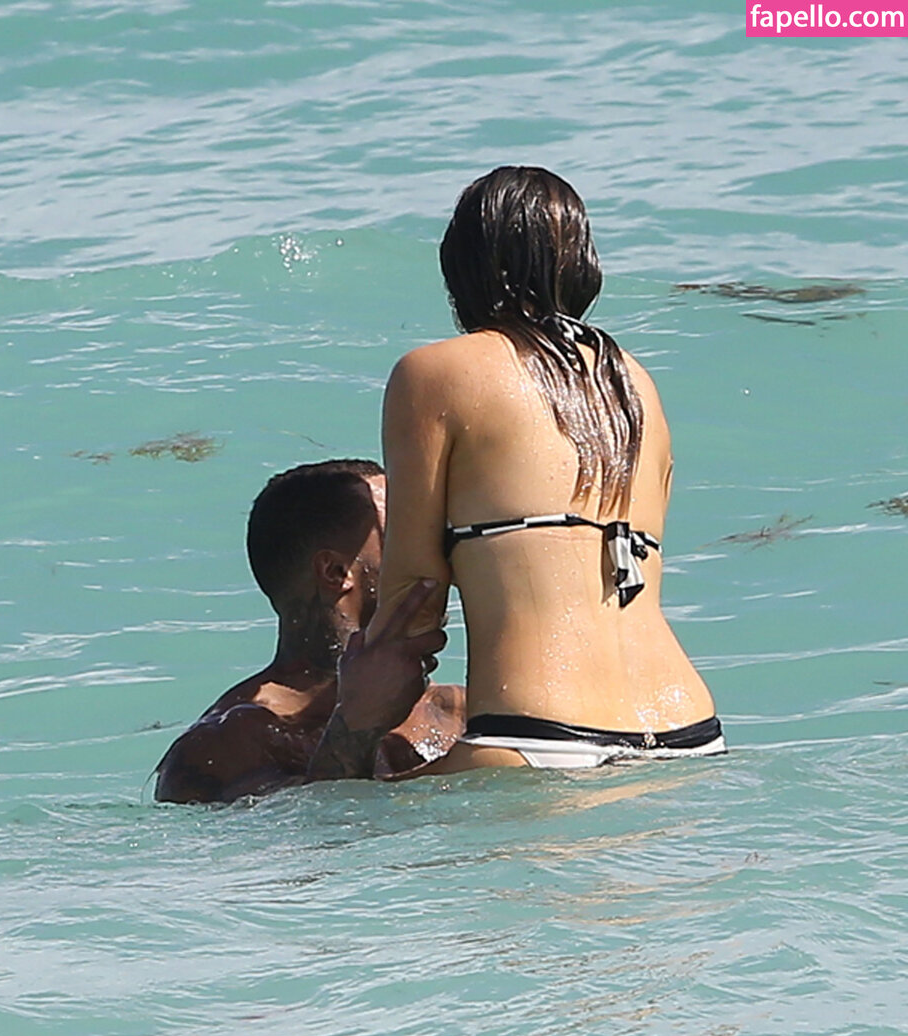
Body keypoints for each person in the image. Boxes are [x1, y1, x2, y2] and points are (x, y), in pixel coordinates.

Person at [366, 166, 725, 771]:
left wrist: (349, 710)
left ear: (461, 267)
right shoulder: (636, 384)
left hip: (538, 734)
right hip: (689, 732)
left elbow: (414, 598)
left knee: (330, 812)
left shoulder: (434, 374)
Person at [154, 460, 465, 803]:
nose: (434, 557)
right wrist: (356, 728)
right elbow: (317, 829)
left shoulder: (457, 710)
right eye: (405, 537)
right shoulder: (221, 748)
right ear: (335, 572)